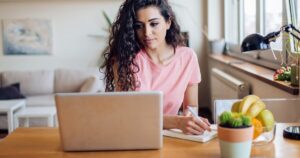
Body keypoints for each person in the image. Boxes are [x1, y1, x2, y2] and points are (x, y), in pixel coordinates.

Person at [101, 0, 210, 135]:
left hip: (170, 136)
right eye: (139, 26)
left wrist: (191, 118)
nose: (147, 33)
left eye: (154, 24)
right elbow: (129, 115)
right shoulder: (124, 60)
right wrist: (177, 122)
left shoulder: (188, 57)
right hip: (133, 134)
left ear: (168, 22)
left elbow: (191, 107)